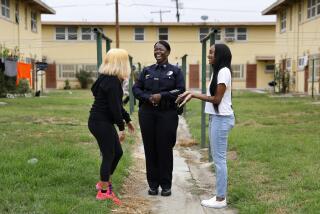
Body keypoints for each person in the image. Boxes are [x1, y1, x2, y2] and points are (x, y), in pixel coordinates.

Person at [176, 44, 235, 208]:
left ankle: (220, 199)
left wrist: (194, 95)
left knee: (219, 160)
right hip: (218, 118)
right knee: (218, 159)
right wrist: (190, 93)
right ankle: (219, 196)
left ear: (220, 55)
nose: (208, 55)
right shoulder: (218, 71)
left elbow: (216, 99)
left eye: (211, 53)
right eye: (208, 52)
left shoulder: (223, 72)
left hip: (222, 119)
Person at [132, 40, 185, 196]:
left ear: (168, 52)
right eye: (155, 49)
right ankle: (153, 185)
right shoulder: (147, 71)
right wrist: (148, 97)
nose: (158, 52)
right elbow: (136, 88)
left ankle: (166, 185)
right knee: (150, 149)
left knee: (165, 149)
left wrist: (161, 96)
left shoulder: (175, 71)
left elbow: (180, 89)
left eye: (161, 49)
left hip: (167, 114)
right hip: (147, 114)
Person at [88, 48, 134, 205]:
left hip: (100, 121)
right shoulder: (112, 82)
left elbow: (116, 105)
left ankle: (104, 181)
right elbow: (115, 109)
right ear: (121, 63)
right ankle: (103, 192)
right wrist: (121, 128)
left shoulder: (107, 78)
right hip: (100, 122)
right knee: (109, 155)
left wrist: (127, 120)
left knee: (118, 153)